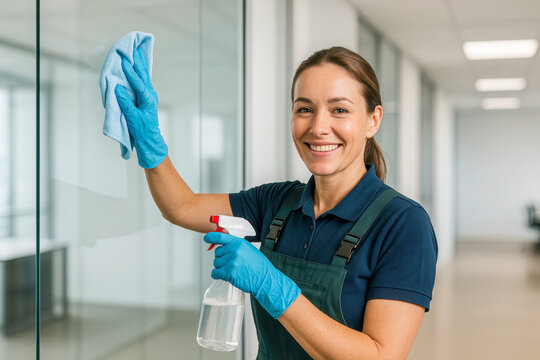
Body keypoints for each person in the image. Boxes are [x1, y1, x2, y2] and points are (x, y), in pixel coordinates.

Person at [114, 45, 437, 359]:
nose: (318, 127)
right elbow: (182, 207)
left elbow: (382, 355)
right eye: (304, 109)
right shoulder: (277, 202)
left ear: (373, 120)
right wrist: (151, 143)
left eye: (339, 109)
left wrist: (272, 286)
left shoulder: (403, 223)